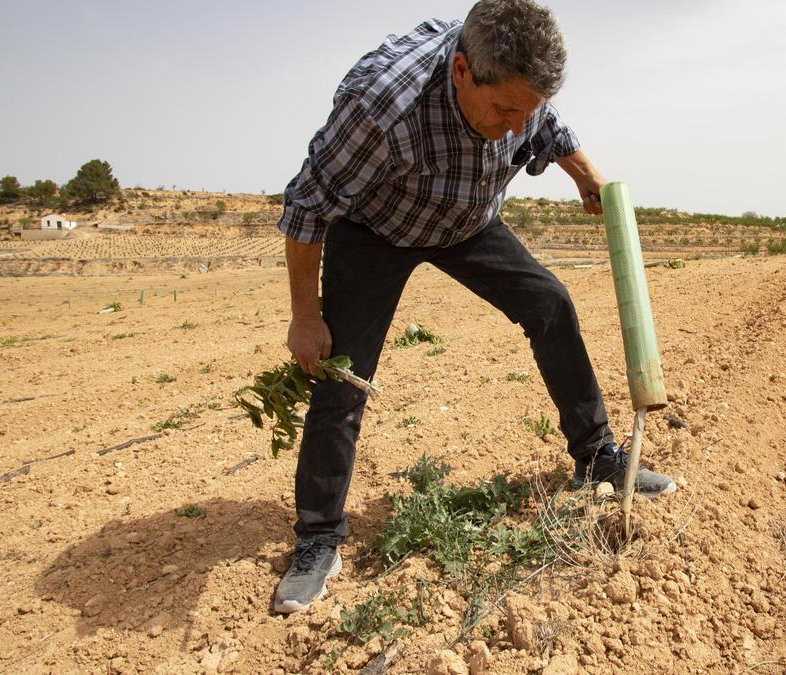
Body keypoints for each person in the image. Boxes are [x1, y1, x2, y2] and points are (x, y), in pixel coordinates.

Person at [272, 0, 675, 614]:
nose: (518, 126)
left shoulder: (516, 90)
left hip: (465, 222)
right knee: (342, 373)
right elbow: (306, 205)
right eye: (506, 110)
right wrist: (305, 316)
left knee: (551, 303)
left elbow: (547, 124)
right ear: (461, 71)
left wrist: (583, 173)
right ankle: (318, 536)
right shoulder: (383, 105)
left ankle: (596, 460)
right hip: (376, 229)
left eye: (528, 110)